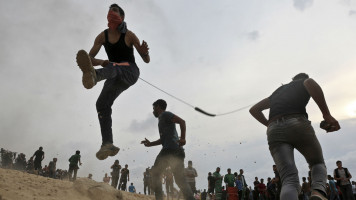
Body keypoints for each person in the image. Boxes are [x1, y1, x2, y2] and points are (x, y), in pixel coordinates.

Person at [75, 3, 150, 160]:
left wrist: (144, 54)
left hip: (130, 72)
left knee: (113, 66)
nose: (111, 12)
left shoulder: (129, 35)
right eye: (110, 10)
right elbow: (89, 59)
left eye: (115, 10)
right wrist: (101, 61)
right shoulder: (102, 36)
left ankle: (95, 76)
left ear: (122, 17)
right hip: (112, 74)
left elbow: (146, 60)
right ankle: (107, 144)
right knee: (101, 104)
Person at [249, 73, 341, 200]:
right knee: (317, 163)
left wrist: (270, 126)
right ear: (302, 78)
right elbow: (310, 83)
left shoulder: (277, 92)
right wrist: (326, 114)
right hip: (296, 122)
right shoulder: (304, 82)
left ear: (292, 80)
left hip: (274, 130)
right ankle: (318, 192)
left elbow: (254, 109)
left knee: (288, 179)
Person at [141, 99, 195, 200]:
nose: (153, 111)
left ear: (158, 107)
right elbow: (163, 139)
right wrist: (150, 144)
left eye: (153, 108)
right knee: (180, 180)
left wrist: (183, 138)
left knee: (156, 173)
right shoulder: (161, 119)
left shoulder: (165, 115)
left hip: (171, 151)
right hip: (174, 151)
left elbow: (182, 122)